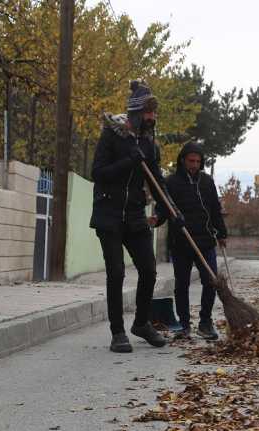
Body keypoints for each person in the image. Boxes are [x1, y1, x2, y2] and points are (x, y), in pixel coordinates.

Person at [90, 80, 180, 353]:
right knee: (116, 272)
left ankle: (141, 323)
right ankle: (117, 332)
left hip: (135, 214)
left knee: (149, 270)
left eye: (154, 114)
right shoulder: (112, 135)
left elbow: (156, 181)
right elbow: (98, 173)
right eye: (148, 113)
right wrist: (128, 161)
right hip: (109, 213)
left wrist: (168, 210)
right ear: (136, 113)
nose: (153, 118)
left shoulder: (149, 145)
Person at [151, 142, 227, 340]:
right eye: (191, 161)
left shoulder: (207, 182)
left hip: (205, 240)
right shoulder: (171, 182)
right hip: (181, 241)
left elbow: (215, 210)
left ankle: (205, 322)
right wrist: (156, 220)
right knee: (181, 284)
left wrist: (222, 234)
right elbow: (164, 208)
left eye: (198, 161)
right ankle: (184, 325)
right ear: (182, 160)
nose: (194, 165)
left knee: (211, 281)